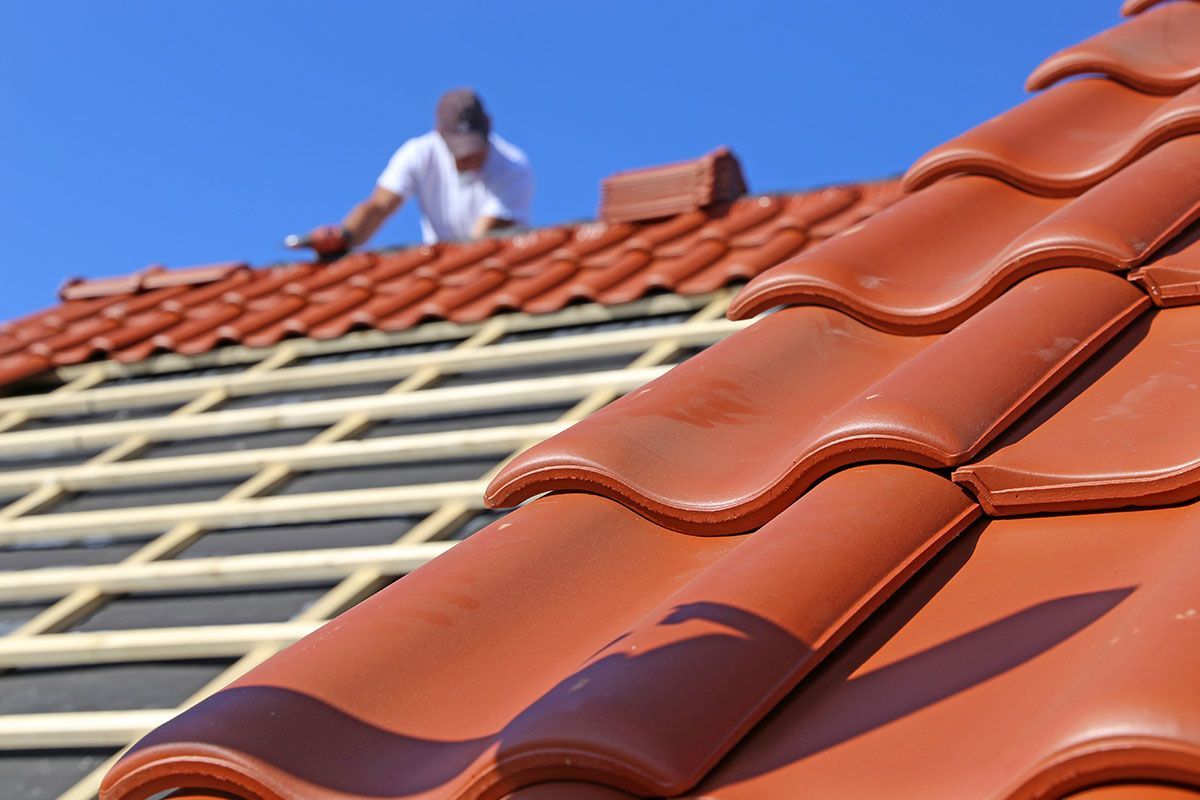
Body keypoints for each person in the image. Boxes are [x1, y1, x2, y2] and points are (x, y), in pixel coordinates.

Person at [297, 88, 534, 257]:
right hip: (444, 262)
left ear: (489, 127)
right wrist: (344, 236)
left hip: (496, 263)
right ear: (439, 133)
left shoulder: (513, 168)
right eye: (459, 150)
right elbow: (379, 206)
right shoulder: (419, 153)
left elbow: (477, 243)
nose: (467, 157)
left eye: (474, 148)